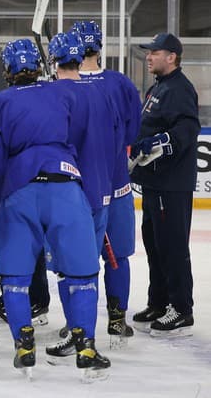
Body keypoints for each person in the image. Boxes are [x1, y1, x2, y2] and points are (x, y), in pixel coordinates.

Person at [0, 38, 110, 382]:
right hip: (65, 185)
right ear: (39, 66)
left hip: (20, 190)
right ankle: (85, 345)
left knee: (15, 275)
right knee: (81, 272)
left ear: (7, 70)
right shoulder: (64, 93)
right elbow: (81, 136)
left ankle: (23, 341)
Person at [43, 31, 121, 362]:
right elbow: (120, 140)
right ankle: (85, 339)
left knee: (66, 267)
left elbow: (53, 144)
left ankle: (78, 334)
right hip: (100, 190)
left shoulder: (55, 96)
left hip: (69, 193)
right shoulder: (103, 94)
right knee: (88, 268)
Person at [73, 20, 143, 346]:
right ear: (100, 47)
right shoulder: (120, 83)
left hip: (76, 190)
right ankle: (117, 321)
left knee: (77, 259)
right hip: (116, 185)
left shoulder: (63, 85)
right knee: (119, 256)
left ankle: (80, 324)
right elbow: (131, 133)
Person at [129, 32, 199, 337]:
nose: (149, 57)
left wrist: (160, 143)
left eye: (154, 53)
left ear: (171, 56)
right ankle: (158, 302)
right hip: (155, 182)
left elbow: (186, 128)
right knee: (154, 245)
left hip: (172, 184)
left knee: (172, 246)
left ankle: (181, 309)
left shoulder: (179, 89)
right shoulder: (160, 87)